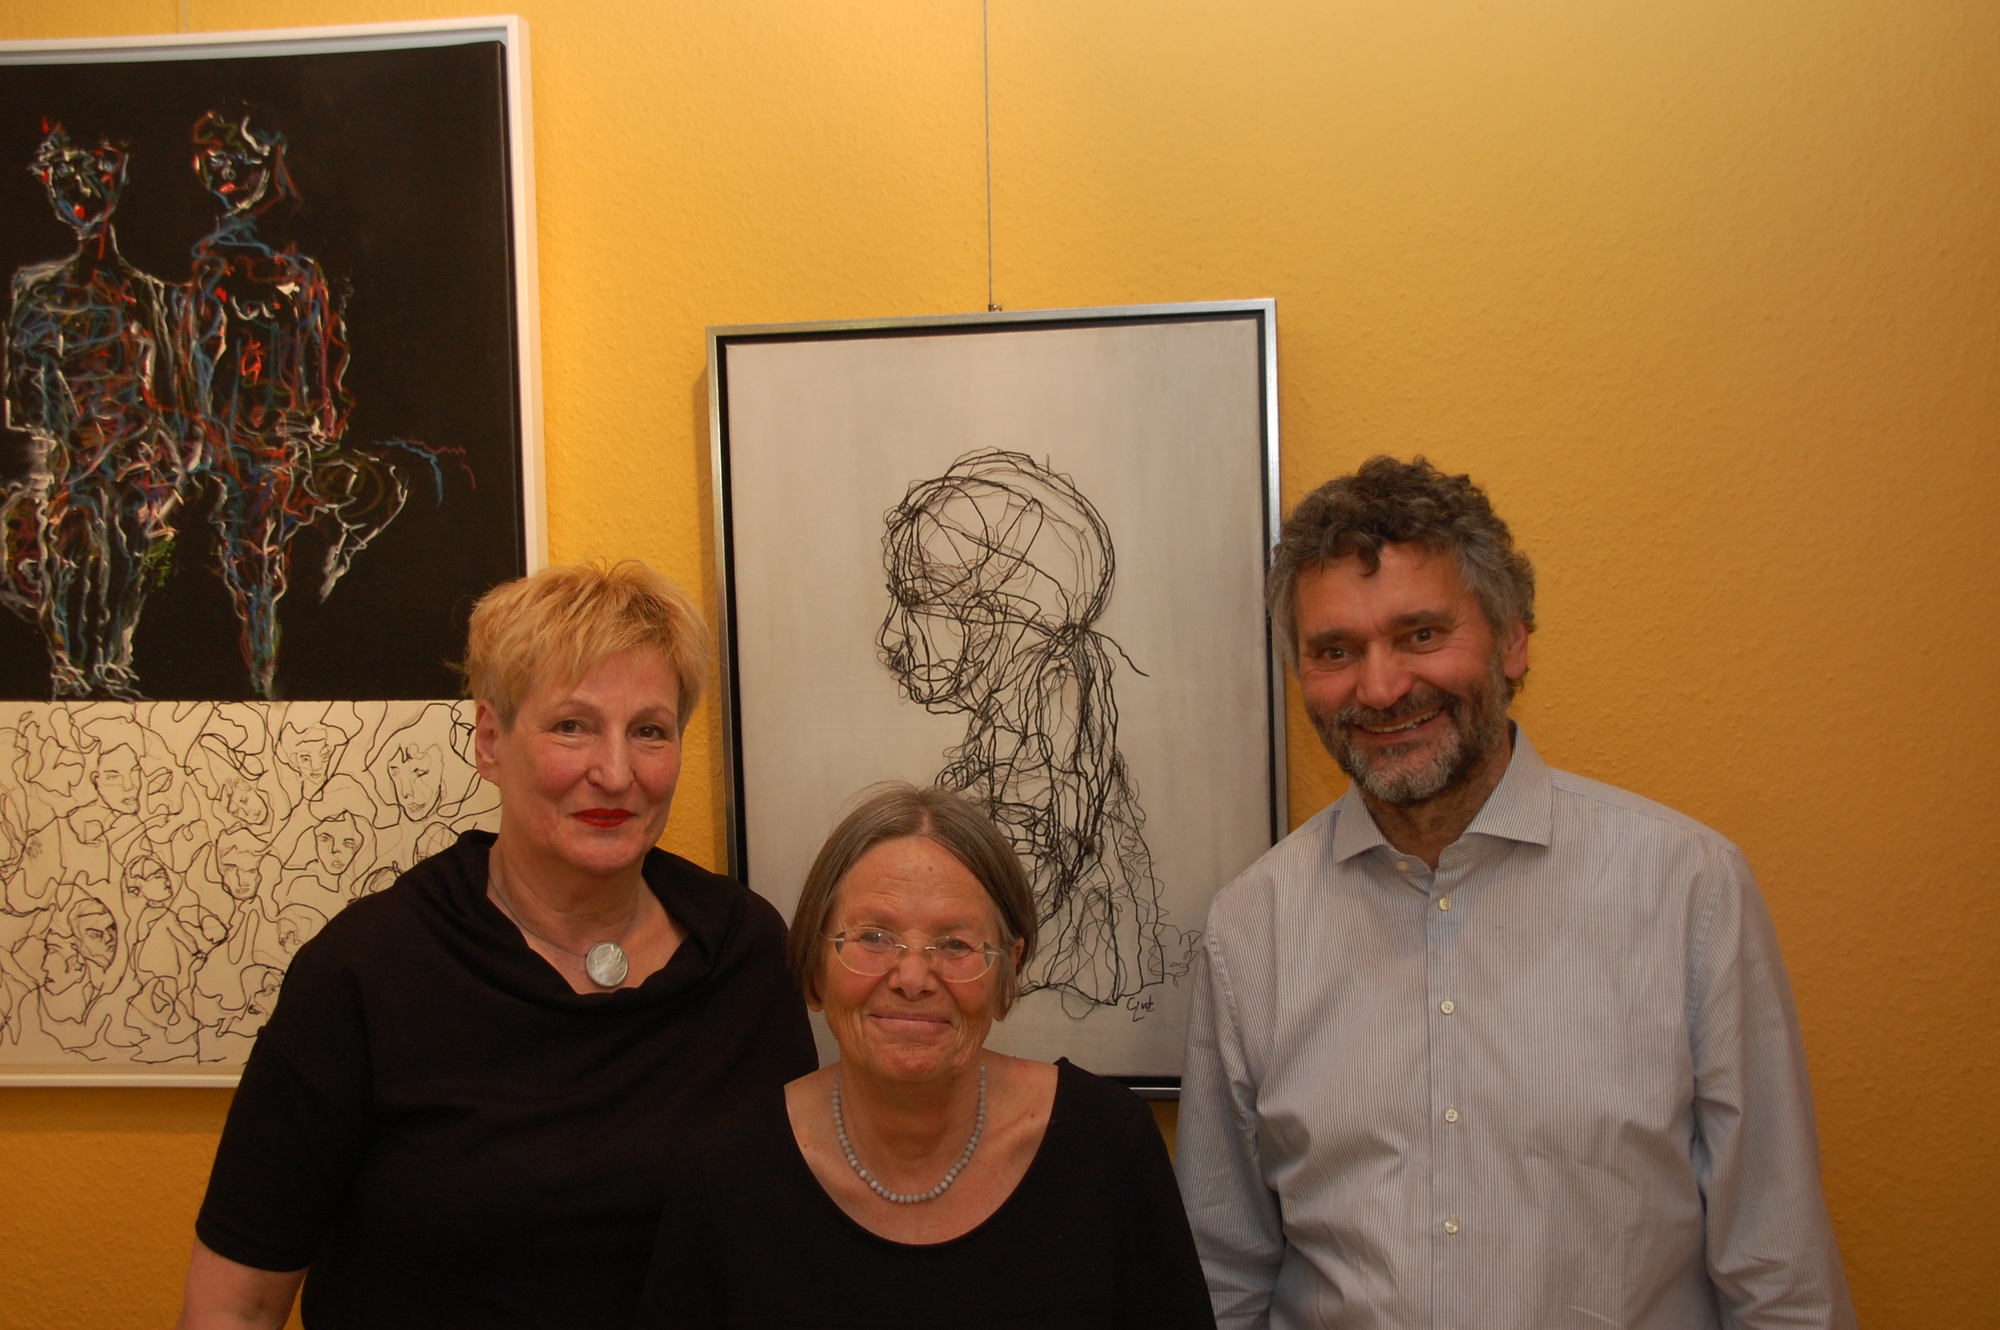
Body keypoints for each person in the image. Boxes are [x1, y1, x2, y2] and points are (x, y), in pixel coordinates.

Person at [1175, 457, 1854, 1329]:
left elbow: (1778, 1273)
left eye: (1422, 634)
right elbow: (1222, 1277)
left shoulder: (1689, 891)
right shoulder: (1251, 930)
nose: (1380, 688)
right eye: (1336, 651)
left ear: (1513, 640)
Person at [176, 560, 816, 1329]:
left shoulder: (744, 951)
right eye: (572, 725)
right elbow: (237, 1305)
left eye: (649, 731)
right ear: (489, 742)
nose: (616, 772)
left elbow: (791, 1237)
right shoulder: (365, 971)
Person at [635, 783, 1214, 1330]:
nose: (912, 978)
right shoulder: (724, 1173)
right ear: (814, 967)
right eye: (873, 937)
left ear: (1007, 974)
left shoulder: (1109, 1146)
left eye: (955, 944)